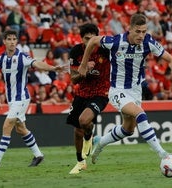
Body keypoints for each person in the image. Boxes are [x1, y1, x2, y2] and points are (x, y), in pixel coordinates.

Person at [78, 13, 172, 165]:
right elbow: (93, 40)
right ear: (130, 29)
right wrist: (83, 64)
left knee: (128, 129)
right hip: (117, 91)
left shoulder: (148, 42)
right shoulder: (116, 41)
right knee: (140, 113)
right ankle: (162, 153)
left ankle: (100, 143)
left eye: (144, 31)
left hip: (135, 91)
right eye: (138, 31)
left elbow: (171, 59)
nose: (141, 35)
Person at [0, 30, 67, 168]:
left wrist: (53, 68)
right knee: (20, 129)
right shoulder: (1, 59)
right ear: (4, 41)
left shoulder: (22, 57)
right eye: (9, 39)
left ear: (16, 42)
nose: (12, 41)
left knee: (7, 125)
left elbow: (37, 64)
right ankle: (38, 155)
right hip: (11, 100)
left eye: (14, 39)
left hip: (22, 98)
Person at [67, 23, 110, 174]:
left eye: (93, 38)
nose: (90, 42)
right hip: (82, 93)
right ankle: (80, 161)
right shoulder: (76, 52)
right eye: (86, 39)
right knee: (78, 130)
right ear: (81, 39)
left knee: (84, 120)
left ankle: (89, 136)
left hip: (101, 93)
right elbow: (73, 79)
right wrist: (84, 71)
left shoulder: (105, 50)